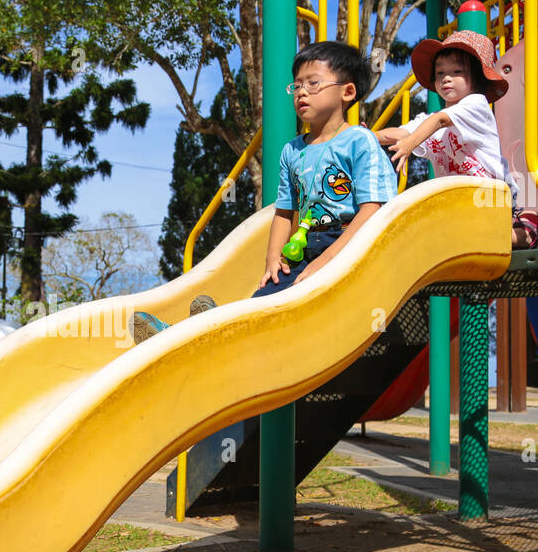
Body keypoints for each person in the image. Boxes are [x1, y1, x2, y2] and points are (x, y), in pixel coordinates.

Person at [128, 41, 396, 341]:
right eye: (296, 86)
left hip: (348, 242)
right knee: (264, 299)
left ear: (347, 92)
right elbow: (284, 211)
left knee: (280, 309)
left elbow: (374, 208)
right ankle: (187, 335)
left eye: (313, 83)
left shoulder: (359, 140)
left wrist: (330, 257)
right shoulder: (292, 150)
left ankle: (195, 335)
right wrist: (272, 258)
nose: (302, 92)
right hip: (304, 246)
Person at [376, 30, 538, 248]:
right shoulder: (428, 120)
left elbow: (441, 121)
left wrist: (410, 144)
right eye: (440, 72)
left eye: (456, 71)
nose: (446, 78)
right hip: (457, 202)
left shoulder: (476, 105)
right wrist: (365, 136)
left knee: (487, 238)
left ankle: (527, 229)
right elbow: (401, 133)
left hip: (491, 196)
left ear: (477, 77)